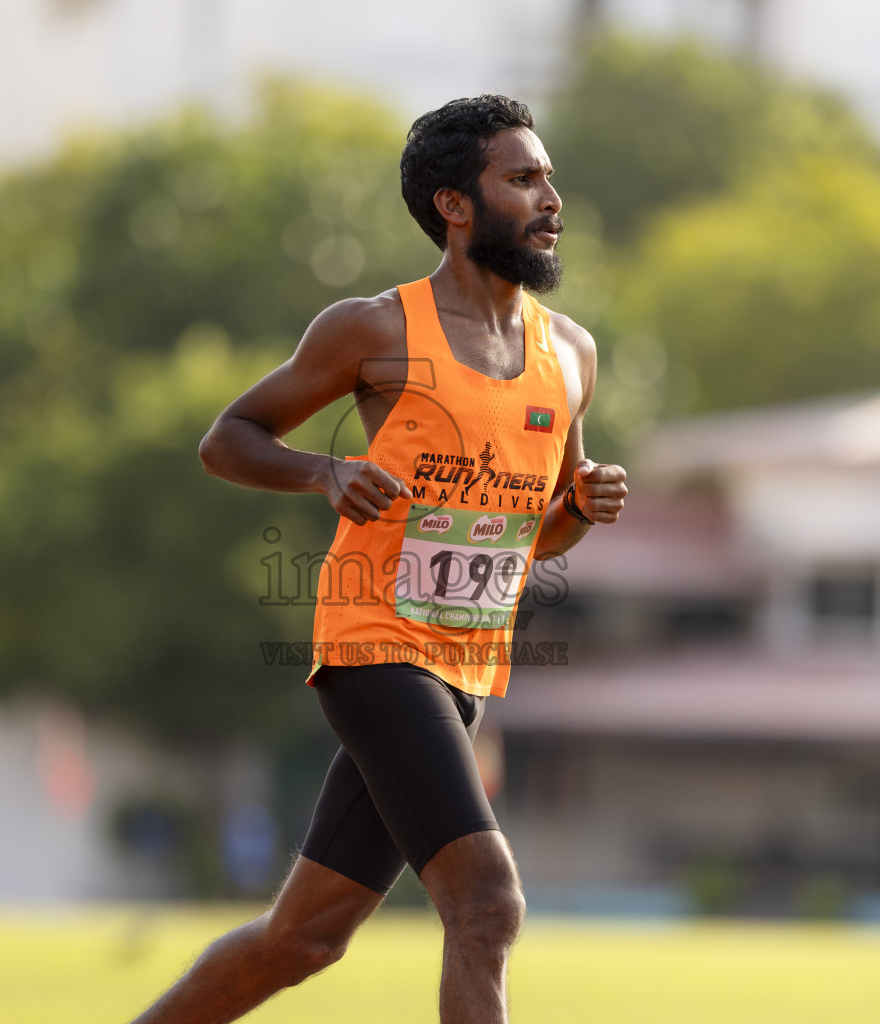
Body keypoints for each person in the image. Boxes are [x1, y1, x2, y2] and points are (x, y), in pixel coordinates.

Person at [130, 94, 628, 1024]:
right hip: (375, 646)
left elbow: (540, 534)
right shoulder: (375, 329)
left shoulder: (570, 353)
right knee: (487, 903)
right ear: (454, 204)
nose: (551, 198)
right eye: (523, 179)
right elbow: (227, 439)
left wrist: (583, 507)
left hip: (465, 668)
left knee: (304, 939)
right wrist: (324, 472)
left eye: (549, 178)